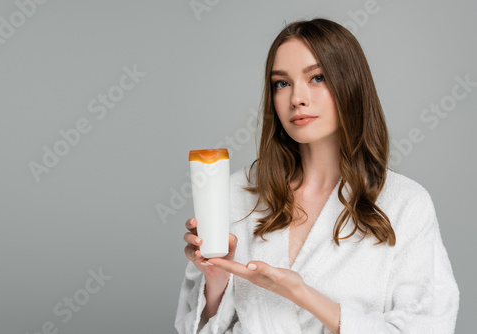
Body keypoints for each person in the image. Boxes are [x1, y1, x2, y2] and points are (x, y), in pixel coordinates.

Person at [174, 18, 460, 334]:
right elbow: (195, 328)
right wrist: (216, 281)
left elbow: (428, 327)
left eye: (317, 78)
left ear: (350, 85)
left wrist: (302, 294)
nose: (297, 98)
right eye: (281, 83)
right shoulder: (237, 191)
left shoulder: (404, 203)